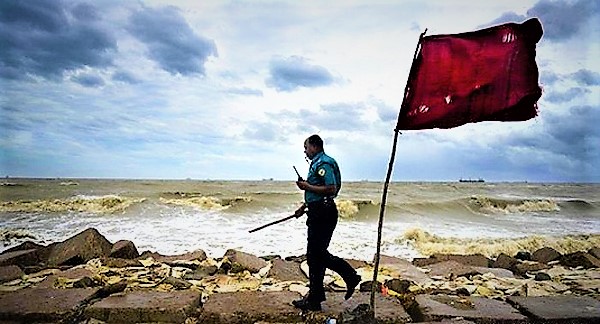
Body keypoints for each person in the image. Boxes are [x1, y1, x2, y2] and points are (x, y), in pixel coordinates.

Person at [292, 134, 361, 311]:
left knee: (317, 254)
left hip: (323, 212)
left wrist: (306, 186)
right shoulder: (316, 163)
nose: (305, 151)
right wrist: (304, 206)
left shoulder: (323, 163)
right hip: (317, 210)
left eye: (306, 147)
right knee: (315, 256)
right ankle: (315, 299)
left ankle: (350, 275)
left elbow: (331, 188)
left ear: (314, 146)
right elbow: (318, 192)